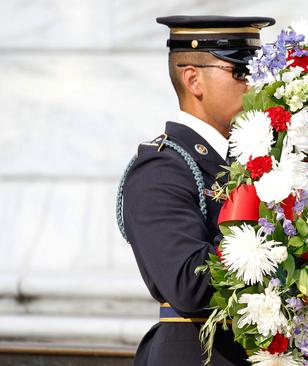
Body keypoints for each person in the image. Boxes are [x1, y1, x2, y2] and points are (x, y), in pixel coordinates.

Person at [116, 15, 275, 365]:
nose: (253, 83)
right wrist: (266, 218)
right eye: (240, 71)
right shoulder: (161, 169)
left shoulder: (252, 161)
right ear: (193, 79)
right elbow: (189, 285)